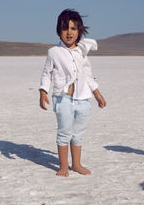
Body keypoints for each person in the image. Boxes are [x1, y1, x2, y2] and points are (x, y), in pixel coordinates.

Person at [39, 9, 106, 177]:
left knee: (78, 134)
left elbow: (88, 75)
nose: (69, 32)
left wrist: (97, 94)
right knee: (64, 132)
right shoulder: (53, 52)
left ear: (79, 31)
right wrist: (43, 92)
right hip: (63, 100)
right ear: (58, 30)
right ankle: (63, 166)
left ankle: (76, 164)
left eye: (73, 28)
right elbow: (47, 73)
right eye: (65, 28)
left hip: (83, 99)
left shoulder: (82, 52)